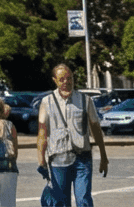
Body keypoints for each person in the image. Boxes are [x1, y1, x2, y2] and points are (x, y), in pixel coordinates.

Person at [36, 62, 107, 207]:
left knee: (83, 200)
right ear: (55, 80)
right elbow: (42, 132)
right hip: (58, 159)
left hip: (82, 158)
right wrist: (41, 159)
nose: (66, 82)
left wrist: (103, 156)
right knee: (62, 202)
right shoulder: (46, 102)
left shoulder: (85, 100)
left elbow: (95, 128)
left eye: (69, 78)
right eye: (62, 79)